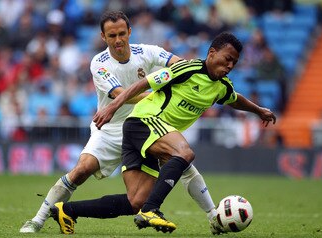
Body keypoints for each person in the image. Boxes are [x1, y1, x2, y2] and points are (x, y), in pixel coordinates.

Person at [50, 32, 276, 234]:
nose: (229, 66)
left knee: (134, 201)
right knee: (184, 153)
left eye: (234, 63)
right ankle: (155, 210)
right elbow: (141, 84)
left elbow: (235, 99)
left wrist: (258, 111)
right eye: (227, 59)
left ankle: (66, 210)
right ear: (212, 52)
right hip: (143, 122)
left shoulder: (222, 86)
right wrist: (112, 107)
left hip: (151, 134)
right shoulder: (187, 69)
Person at [20, 11, 219, 234]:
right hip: (110, 127)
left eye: (122, 34)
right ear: (103, 37)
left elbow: (180, 65)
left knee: (180, 164)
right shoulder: (99, 63)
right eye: (112, 35)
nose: (118, 40)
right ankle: (37, 220)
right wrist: (162, 97)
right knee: (81, 170)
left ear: (129, 32)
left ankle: (214, 216)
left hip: (145, 124)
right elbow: (121, 94)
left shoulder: (148, 52)